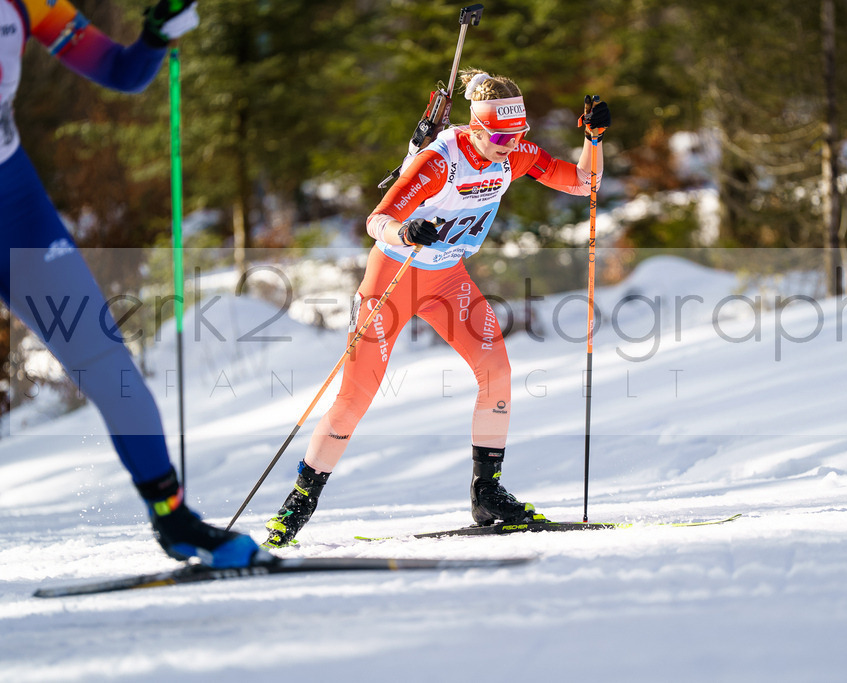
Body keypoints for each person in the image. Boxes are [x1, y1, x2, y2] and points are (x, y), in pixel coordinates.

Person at [264, 69, 611, 548]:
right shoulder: (439, 161)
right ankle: (296, 507)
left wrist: (593, 139)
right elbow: (377, 219)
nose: (511, 145)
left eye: (519, 135)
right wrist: (403, 233)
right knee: (356, 396)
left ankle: (486, 494)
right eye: (501, 136)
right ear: (476, 128)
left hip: (447, 279)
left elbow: (584, 182)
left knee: (497, 371)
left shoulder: (516, 155)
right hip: (394, 280)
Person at [1, 0, 264, 567]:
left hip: (14, 205)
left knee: (105, 359)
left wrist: (155, 34)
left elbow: (120, 71)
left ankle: (173, 518)